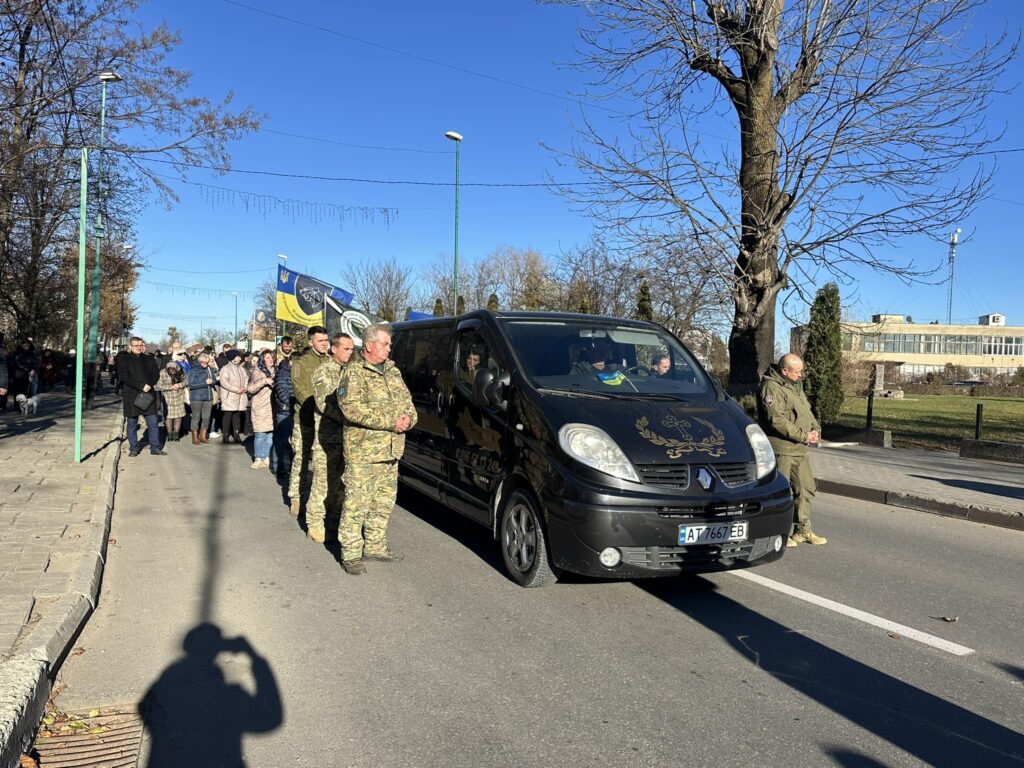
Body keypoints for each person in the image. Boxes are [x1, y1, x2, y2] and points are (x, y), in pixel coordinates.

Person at [336, 323, 416, 575]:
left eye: (389, 344)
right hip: (363, 452)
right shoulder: (354, 372)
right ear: (369, 345)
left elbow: (408, 403)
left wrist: (408, 420)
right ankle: (350, 553)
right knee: (356, 504)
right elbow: (350, 408)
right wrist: (390, 422)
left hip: (391, 451)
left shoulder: (392, 371)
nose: (389, 349)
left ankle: (375, 545)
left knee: (383, 502)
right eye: (384, 344)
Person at [757, 353, 826, 547]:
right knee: (779, 492)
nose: (801, 375)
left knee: (805, 489)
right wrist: (803, 435)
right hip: (781, 449)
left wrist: (815, 429)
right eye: (797, 371)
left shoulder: (795, 386)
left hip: (799, 449)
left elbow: (807, 411)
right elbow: (776, 420)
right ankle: (777, 532)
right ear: (784, 370)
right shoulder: (771, 387)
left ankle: (803, 530)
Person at [308, 332, 355, 542]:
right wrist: (353, 418)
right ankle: (314, 523)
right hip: (327, 438)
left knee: (340, 484)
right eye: (346, 348)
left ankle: (334, 523)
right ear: (333, 349)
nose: (350, 352)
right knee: (322, 483)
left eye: (352, 349)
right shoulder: (324, 371)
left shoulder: (351, 372)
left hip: (346, 438)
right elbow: (323, 404)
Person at [287, 326, 330, 517]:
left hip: (327, 422)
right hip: (304, 420)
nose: (324, 344)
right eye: (320, 341)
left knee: (323, 463)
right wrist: (319, 406)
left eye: (326, 341)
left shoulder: (331, 362)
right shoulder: (300, 363)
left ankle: (322, 500)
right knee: (301, 460)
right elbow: (299, 390)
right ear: (311, 342)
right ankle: (296, 497)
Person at [117, 337, 165, 457]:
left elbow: (156, 374)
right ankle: (134, 448)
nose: (139, 347)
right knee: (132, 424)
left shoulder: (149, 358)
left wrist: (149, 384)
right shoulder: (124, 359)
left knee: (153, 422)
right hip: (132, 395)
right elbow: (124, 376)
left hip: (148, 394)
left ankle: (155, 447)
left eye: (140, 345)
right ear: (130, 346)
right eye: (136, 345)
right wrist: (140, 386)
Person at [247, 350, 276, 469]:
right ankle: (258, 457)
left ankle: (267, 457)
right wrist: (265, 381)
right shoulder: (257, 371)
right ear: (263, 359)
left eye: (272, 357)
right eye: (268, 358)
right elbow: (250, 388)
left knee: (270, 435)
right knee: (260, 434)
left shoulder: (276, 371)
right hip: (259, 406)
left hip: (272, 407)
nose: (270, 360)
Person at [217, 350, 248, 444]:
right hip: (229, 396)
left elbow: (246, 378)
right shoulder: (225, 368)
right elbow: (224, 382)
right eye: (237, 356)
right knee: (228, 415)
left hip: (240, 395)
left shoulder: (241, 369)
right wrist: (236, 389)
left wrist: (244, 388)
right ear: (232, 357)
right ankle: (225, 435)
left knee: (237, 415)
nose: (239, 358)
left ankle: (236, 434)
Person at [271, 354, 294, 479]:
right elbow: (282, 393)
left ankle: (289, 467)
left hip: (294, 411)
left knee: (291, 443)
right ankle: (278, 467)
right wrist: (294, 403)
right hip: (284, 412)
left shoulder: (296, 373)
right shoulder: (282, 374)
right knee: (281, 441)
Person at [187, 353, 218, 444]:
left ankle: (203, 436)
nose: (205, 364)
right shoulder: (193, 370)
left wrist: (212, 382)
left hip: (208, 397)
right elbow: (191, 385)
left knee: (206, 417)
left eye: (207, 363)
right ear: (199, 361)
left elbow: (214, 381)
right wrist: (205, 383)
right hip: (196, 397)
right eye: (203, 363)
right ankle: (195, 437)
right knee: (196, 417)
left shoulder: (209, 369)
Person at [155, 360, 188, 442]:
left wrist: (179, 385)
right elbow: (158, 385)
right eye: (170, 370)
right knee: (168, 416)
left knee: (178, 416)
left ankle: (176, 434)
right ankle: (169, 434)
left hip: (179, 396)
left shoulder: (181, 372)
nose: (172, 372)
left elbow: (186, 381)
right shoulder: (162, 373)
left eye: (174, 370)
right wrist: (171, 387)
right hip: (168, 398)